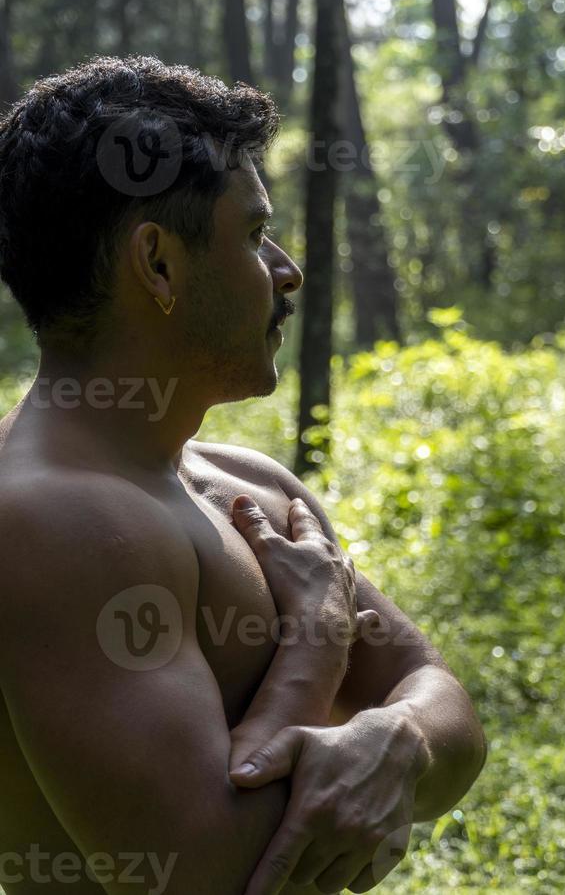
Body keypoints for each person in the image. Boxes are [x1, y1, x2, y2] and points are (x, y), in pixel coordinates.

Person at [0, 56, 486, 895]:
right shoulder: (47, 519)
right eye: (256, 235)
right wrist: (317, 641)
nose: (288, 271)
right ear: (158, 264)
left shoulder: (249, 484)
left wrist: (402, 742)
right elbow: (205, 876)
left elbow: (450, 711)